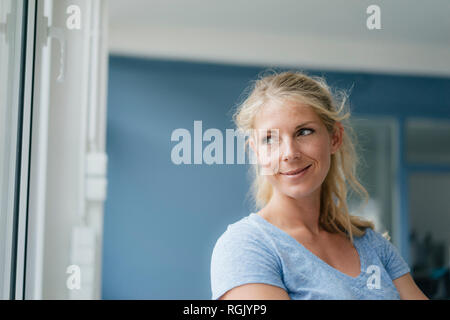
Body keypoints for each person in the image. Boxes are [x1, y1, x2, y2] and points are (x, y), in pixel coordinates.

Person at [210, 71, 428, 300]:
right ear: (256, 152)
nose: (290, 153)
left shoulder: (371, 244)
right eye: (270, 139)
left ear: (334, 138)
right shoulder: (246, 247)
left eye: (304, 132)